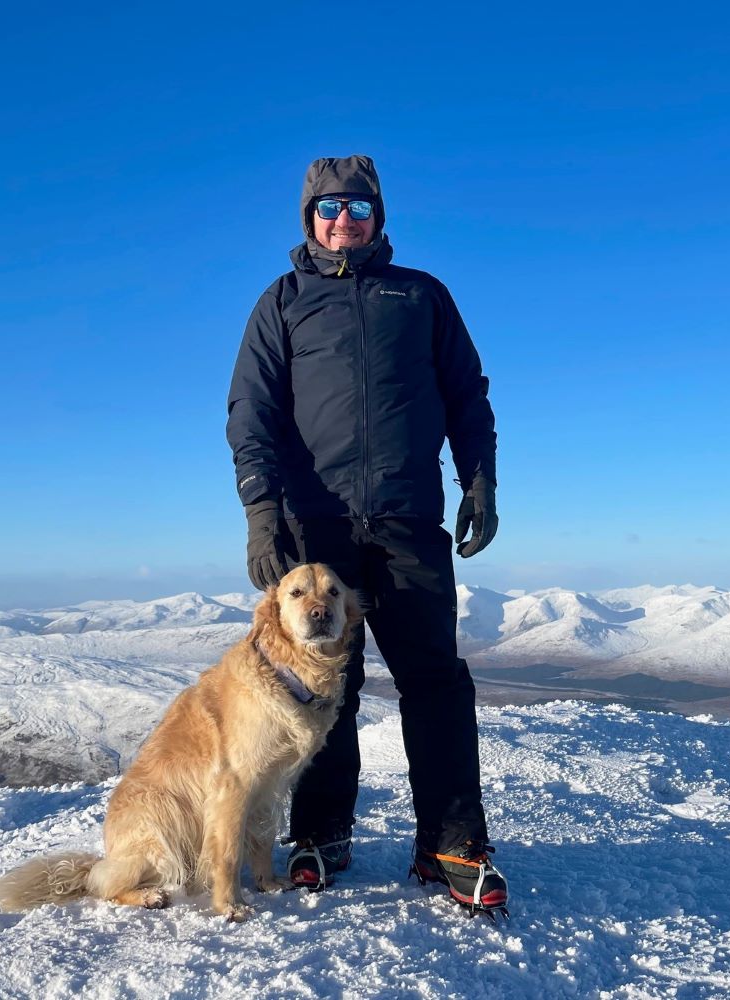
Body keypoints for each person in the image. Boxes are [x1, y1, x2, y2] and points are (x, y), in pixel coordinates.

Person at [226, 155, 507, 916]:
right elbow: (251, 413)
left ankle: (453, 843)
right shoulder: (282, 302)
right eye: (328, 208)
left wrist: (480, 480)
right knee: (324, 687)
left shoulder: (421, 294)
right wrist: (261, 512)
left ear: (378, 216)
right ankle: (320, 836)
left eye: (356, 207)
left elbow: (466, 394)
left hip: (407, 519)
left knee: (435, 683)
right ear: (309, 218)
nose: (342, 220)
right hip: (316, 533)